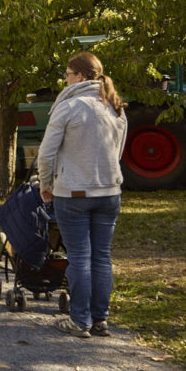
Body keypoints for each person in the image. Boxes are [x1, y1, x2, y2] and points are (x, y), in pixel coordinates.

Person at [38, 51, 129, 339]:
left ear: (79, 76)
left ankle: (79, 320)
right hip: (109, 190)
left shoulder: (68, 106)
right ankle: (100, 318)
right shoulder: (114, 106)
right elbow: (119, 150)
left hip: (74, 191)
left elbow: (47, 152)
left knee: (79, 256)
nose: (65, 79)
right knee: (102, 256)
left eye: (67, 74)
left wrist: (45, 183)